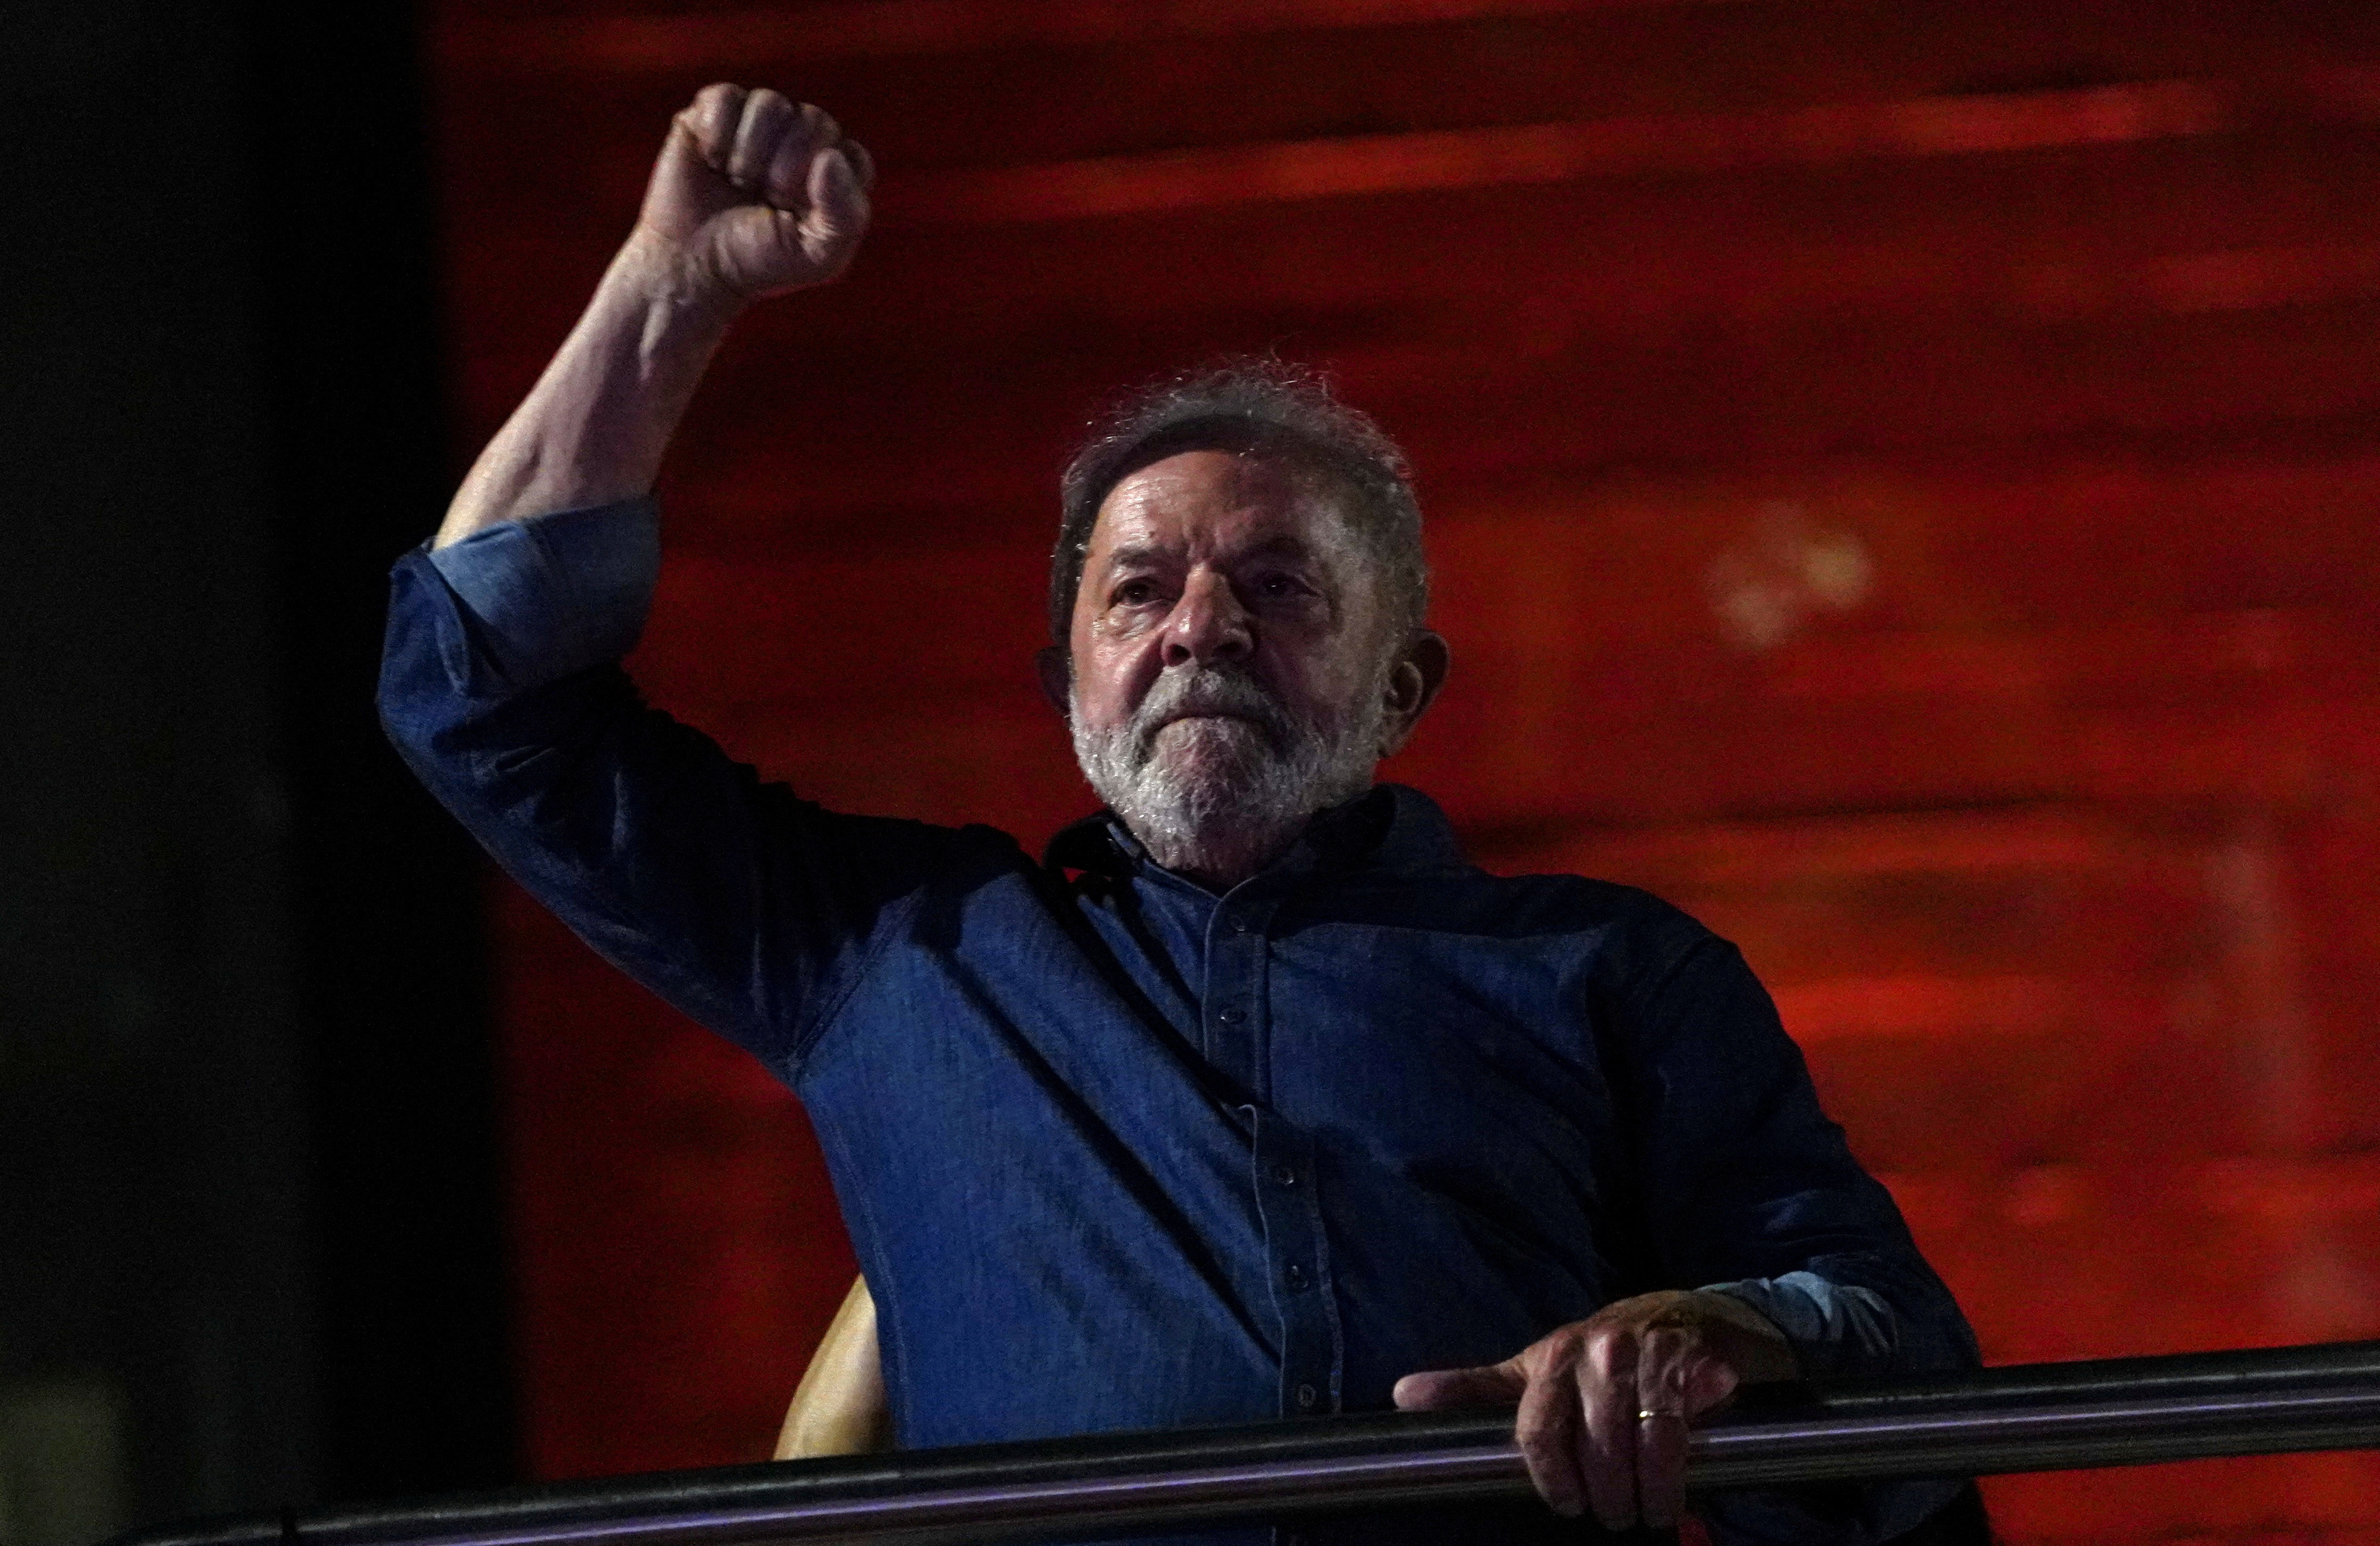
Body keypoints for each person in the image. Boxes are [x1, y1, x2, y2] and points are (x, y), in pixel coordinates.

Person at [380, 83, 1988, 1546]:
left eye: (1277, 586)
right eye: (1139, 589)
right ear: (1063, 680)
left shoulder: (1610, 973)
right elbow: (481, 696)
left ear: (1403, 691)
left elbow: (1892, 1343)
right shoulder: (893, 956)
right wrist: (671, 295)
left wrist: (1711, 1335)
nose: (1199, 627)